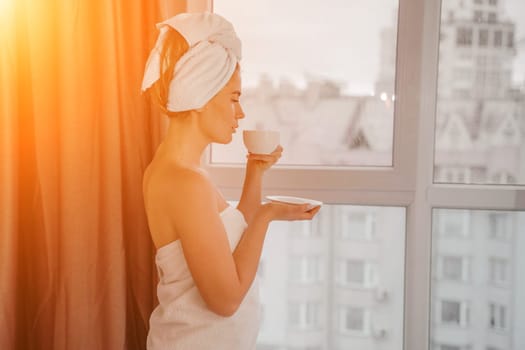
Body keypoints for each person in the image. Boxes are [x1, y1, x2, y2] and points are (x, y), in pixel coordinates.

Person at [141, 12, 321, 350]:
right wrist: (267, 215)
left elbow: (232, 242)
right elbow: (225, 300)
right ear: (200, 95)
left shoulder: (179, 171)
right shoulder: (184, 181)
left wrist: (255, 171)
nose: (240, 113)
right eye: (234, 98)